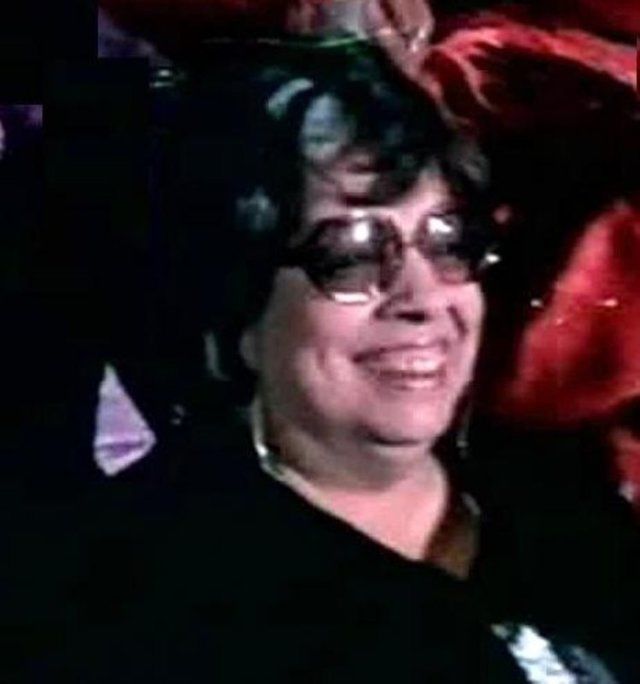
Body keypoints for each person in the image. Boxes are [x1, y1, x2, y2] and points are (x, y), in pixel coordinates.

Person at [33, 44, 640, 683]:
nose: (423, 298)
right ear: (236, 309)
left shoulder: (564, 507)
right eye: (350, 257)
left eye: (448, 243)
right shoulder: (136, 598)